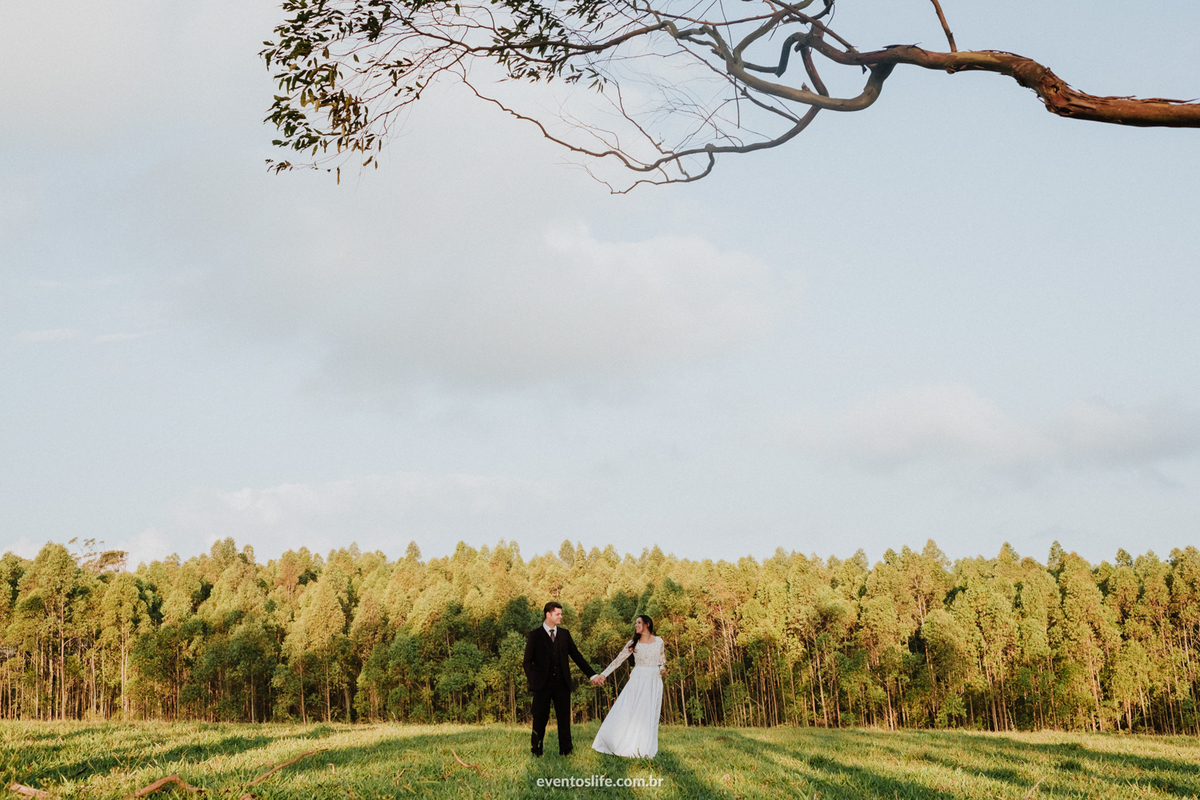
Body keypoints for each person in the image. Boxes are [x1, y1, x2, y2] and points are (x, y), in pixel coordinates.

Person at [523, 601, 599, 756]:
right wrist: (534, 681)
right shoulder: (534, 635)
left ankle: (566, 751)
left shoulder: (564, 634)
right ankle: (536, 751)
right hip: (541, 686)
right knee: (539, 719)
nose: (561, 617)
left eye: (561, 614)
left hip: (562, 684)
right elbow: (527, 662)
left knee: (564, 719)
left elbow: (576, 656)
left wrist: (592, 674)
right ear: (548, 614)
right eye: (558, 614)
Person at [590, 615, 665, 758]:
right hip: (638, 680)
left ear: (647, 624)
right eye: (635, 623)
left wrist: (662, 668)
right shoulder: (633, 644)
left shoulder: (659, 641)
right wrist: (603, 675)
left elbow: (662, 659)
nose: (636, 625)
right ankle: (624, 743)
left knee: (650, 715)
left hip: (654, 681)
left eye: (639, 622)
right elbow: (617, 661)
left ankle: (646, 748)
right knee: (633, 711)